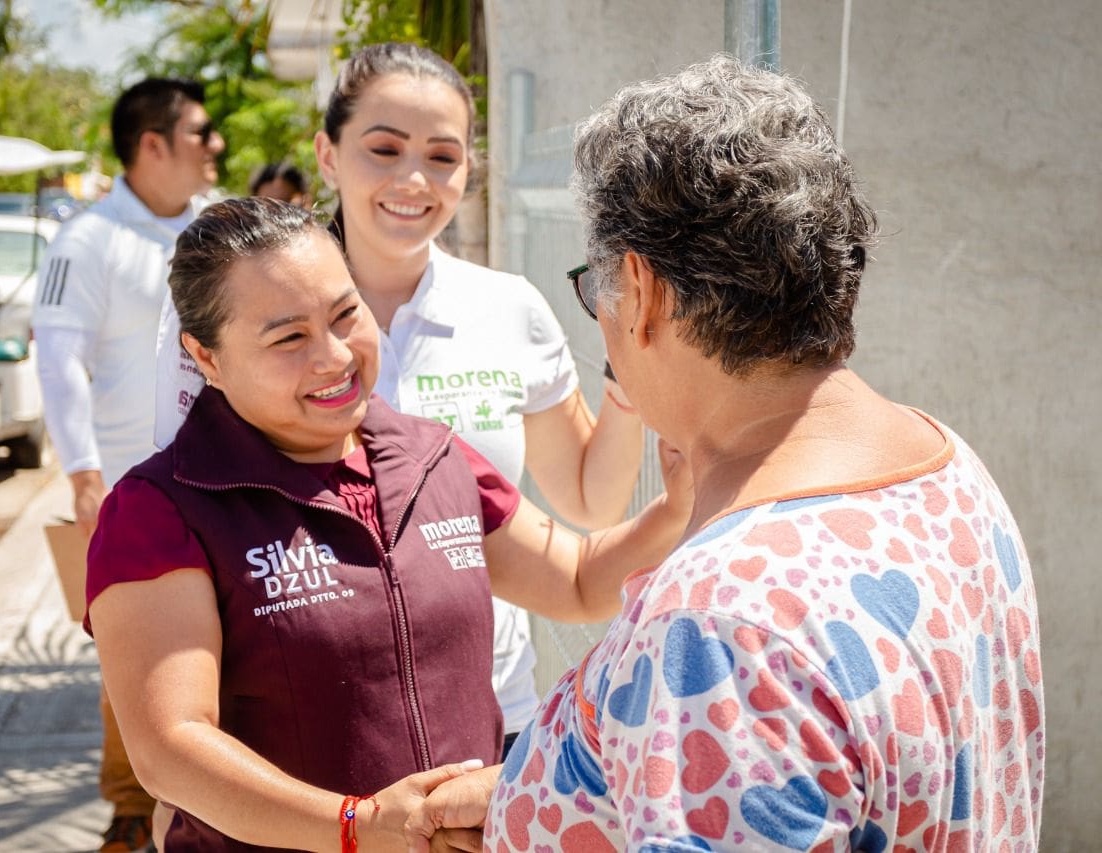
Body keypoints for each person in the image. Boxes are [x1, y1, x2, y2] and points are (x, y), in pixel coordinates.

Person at [405, 55, 1044, 852]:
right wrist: (530, 794)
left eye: (594, 287)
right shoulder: (945, 464)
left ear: (640, 291)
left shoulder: (716, 623)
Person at [86, 197, 689, 851]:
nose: (334, 355)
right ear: (206, 357)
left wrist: (681, 499)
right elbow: (171, 746)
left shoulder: (433, 458)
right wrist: (358, 826)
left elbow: (577, 581)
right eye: (288, 338)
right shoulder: (158, 510)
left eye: (346, 314)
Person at [154, 42, 648, 754]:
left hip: (490, 711)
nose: (414, 179)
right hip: (301, 729)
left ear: (470, 169)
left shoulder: (509, 307)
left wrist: (629, 373)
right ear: (327, 155)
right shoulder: (243, 317)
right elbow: (180, 514)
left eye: (443, 156)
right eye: (384, 149)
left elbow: (589, 500)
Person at [31, 77, 224, 853]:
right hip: (132, 490)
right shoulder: (88, 240)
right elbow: (58, 359)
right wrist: (83, 474)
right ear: (152, 144)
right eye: (200, 131)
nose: (215, 144)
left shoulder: (218, 224)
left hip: (224, 480)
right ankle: (131, 810)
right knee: (137, 658)